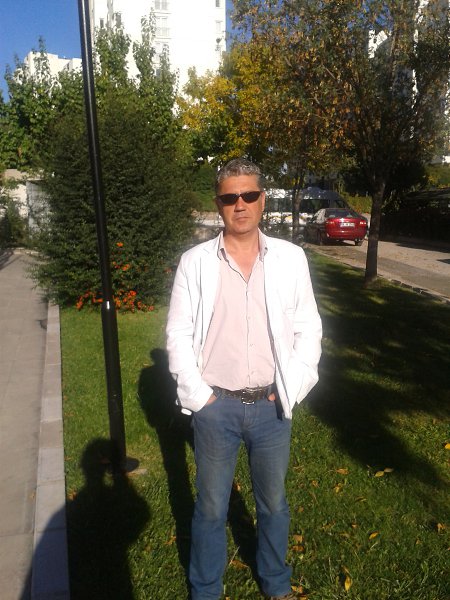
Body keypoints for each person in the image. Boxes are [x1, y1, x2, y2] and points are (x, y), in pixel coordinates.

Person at [166, 158, 322, 600]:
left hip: (273, 407)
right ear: (218, 203)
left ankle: (276, 583)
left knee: (273, 503)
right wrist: (200, 397)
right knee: (211, 507)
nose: (240, 205)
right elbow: (177, 334)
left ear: (262, 200)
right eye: (230, 197)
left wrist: (293, 385)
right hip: (217, 407)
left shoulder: (290, 259)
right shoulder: (195, 263)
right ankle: (205, 590)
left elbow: (308, 329)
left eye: (249, 195)